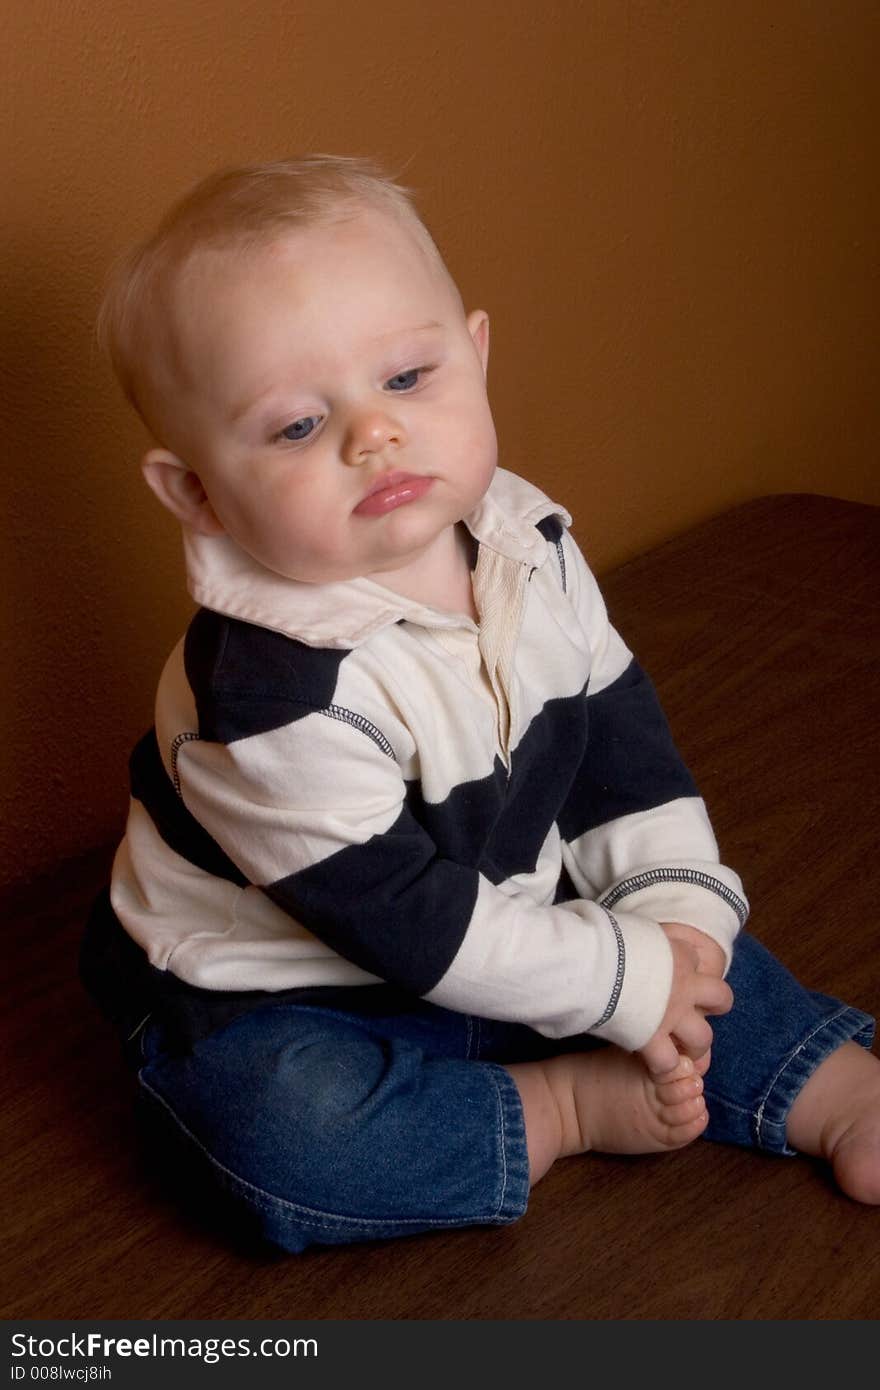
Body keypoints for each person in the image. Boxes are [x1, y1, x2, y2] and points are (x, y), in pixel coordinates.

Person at [80, 155, 880, 1253]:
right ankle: (556, 1107)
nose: (376, 434)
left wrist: (674, 913)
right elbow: (409, 918)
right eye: (298, 427)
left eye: (407, 378)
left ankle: (834, 1088)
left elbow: (616, 748)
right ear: (197, 492)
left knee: (691, 947)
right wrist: (614, 981)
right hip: (292, 990)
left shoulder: (525, 541)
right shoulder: (265, 696)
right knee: (279, 1125)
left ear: (476, 353)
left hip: (504, 919)